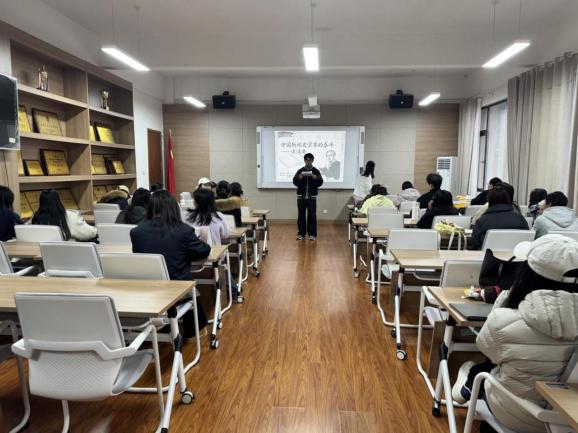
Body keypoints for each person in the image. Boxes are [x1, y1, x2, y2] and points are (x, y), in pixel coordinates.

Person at [452, 234, 578, 433]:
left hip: (515, 412)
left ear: (526, 274)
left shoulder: (505, 320)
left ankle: (467, 386)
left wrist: (504, 300)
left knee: (482, 367)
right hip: (568, 418)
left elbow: (485, 348)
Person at [130, 190, 211, 340]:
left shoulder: (137, 232)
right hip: (176, 290)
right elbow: (203, 251)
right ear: (174, 208)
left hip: (147, 288)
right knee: (190, 288)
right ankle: (193, 333)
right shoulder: (183, 230)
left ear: (150, 208)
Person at [470, 185, 529, 250]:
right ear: (508, 200)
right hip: (516, 256)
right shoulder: (521, 219)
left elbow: (474, 245)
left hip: (488, 256)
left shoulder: (482, 221)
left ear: (490, 200)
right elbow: (527, 241)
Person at [31, 189, 97, 241]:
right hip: (68, 251)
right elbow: (89, 233)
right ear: (58, 201)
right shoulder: (70, 216)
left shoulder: (35, 218)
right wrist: (98, 230)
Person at [293, 153, 323, 241]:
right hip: (301, 197)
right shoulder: (300, 170)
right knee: (301, 215)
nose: (308, 162)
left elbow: (320, 182)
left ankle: (312, 234)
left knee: (312, 215)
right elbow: (294, 181)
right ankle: (301, 234)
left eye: (310, 160)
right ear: (304, 160)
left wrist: (315, 178)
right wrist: (299, 178)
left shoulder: (316, 171)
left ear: (313, 160)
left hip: (312, 197)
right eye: (306, 160)